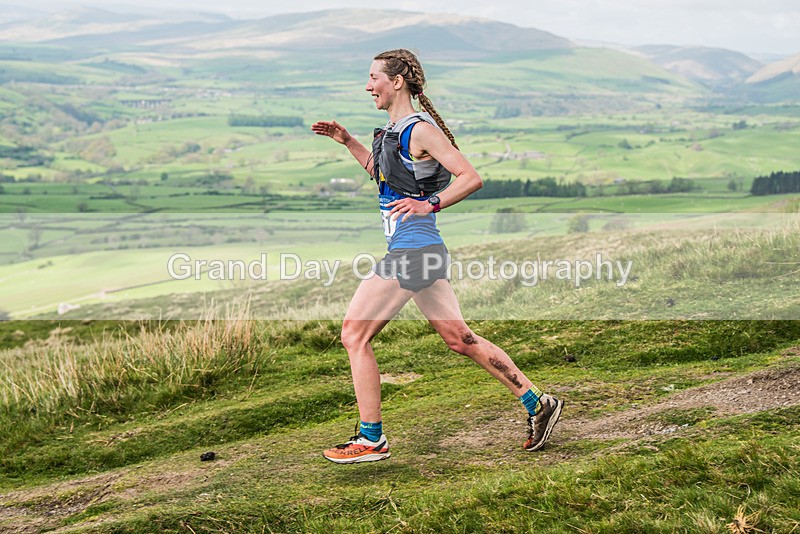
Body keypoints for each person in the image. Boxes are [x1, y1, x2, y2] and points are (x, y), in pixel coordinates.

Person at [311, 49, 562, 464]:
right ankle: (539, 403)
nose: (368, 85)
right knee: (460, 339)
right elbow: (386, 177)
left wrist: (430, 204)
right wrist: (349, 142)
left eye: (374, 77)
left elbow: (471, 177)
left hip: (413, 250)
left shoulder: (420, 130)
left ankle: (371, 439)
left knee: (354, 335)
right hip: (422, 251)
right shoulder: (395, 130)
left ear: (396, 82)